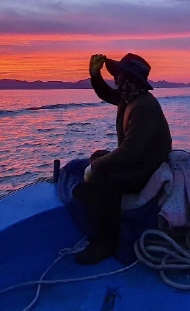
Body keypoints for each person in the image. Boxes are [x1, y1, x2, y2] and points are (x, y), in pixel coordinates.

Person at [72, 52, 173, 265]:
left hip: (147, 168)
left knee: (104, 180)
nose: (116, 79)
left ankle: (105, 244)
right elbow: (106, 93)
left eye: (119, 75)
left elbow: (130, 152)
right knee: (98, 157)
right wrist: (95, 75)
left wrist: (96, 168)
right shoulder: (129, 97)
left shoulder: (144, 106)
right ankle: (94, 194)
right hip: (136, 159)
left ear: (129, 79)